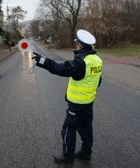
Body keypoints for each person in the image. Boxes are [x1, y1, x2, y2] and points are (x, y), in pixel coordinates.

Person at [32, 29, 103, 164]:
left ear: (80, 45)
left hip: (76, 103)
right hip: (89, 101)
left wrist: (42, 61)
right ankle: (86, 153)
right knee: (86, 128)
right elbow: (98, 81)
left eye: (77, 44)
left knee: (68, 130)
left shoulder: (81, 62)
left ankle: (67, 157)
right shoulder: (97, 60)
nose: (76, 45)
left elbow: (61, 69)